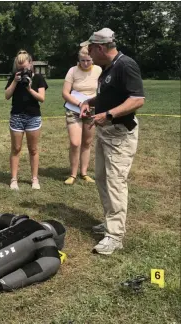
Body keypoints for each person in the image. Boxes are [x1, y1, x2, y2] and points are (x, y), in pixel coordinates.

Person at [79, 28, 145, 255]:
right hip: (106, 133)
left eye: (89, 48)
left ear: (99, 48)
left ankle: (115, 236)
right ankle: (110, 222)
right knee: (102, 178)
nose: (87, 52)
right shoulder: (109, 67)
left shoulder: (126, 65)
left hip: (119, 134)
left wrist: (107, 115)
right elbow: (108, 95)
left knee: (116, 183)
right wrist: (90, 101)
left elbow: (137, 99)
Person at [5, 50, 48, 190]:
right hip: (17, 115)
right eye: (19, 68)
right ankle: (13, 179)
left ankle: (34, 179)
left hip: (33, 116)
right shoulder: (14, 77)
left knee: (33, 149)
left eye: (24, 67)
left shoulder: (38, 78)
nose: (22, 70)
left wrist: (29, 88)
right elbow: (7, 95)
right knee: (16, 148)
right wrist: (15, 82)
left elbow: (42, 98)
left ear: (30, 64)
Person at [62, 47, 102, 185]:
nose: (85, 63)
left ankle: (84, 173)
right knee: (75, 142)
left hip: (92, 109)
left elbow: (102, 90)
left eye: (88, 60)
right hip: (74, 109)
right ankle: (72, 174)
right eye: (82, 60)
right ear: (78, 60)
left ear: (93, 59)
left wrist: (92, 103)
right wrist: (80, 104)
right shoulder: (72, 71)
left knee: (87, 142)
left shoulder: (98, 70)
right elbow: (65, 93)